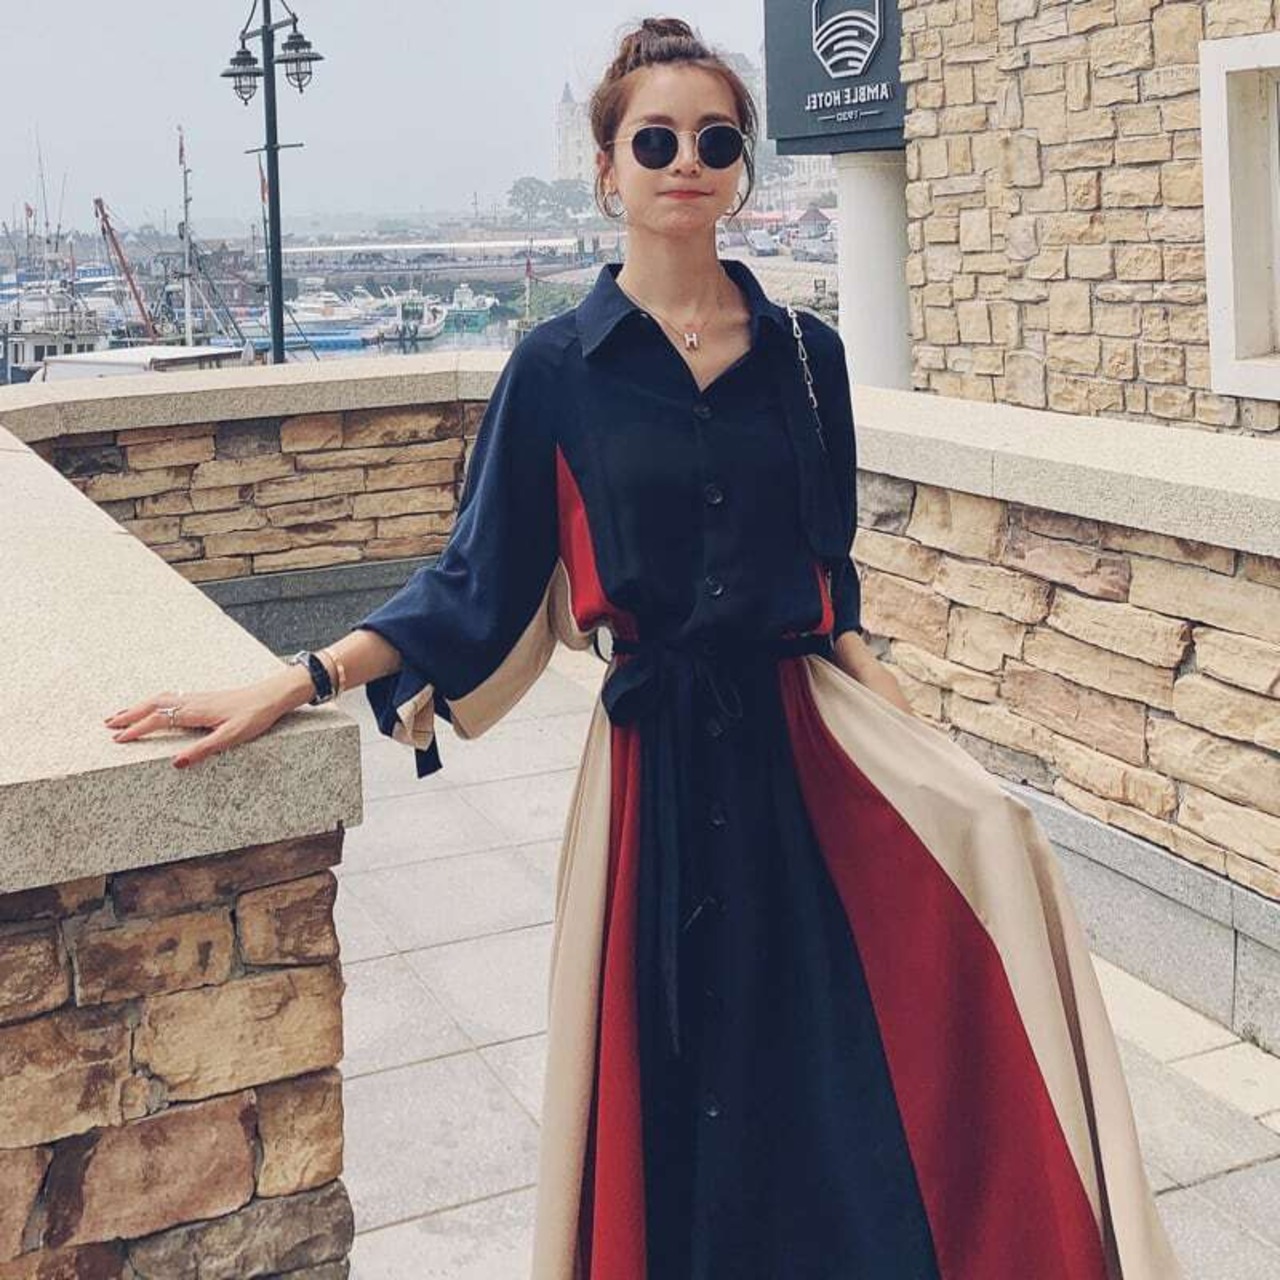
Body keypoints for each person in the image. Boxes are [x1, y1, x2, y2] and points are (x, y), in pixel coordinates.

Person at [106, 17, 1183, 1280]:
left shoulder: (807, 359)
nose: (686, 162)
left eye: (715, 141)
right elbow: (477, 577)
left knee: (841, 1069)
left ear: (741, 169)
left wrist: (908, 727)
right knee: (676, 1098)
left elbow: (829, 579)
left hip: (807, 756)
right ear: (606, 168)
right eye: (655, 140)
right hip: (653, 776)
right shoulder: (556, 370)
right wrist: (297, 677)